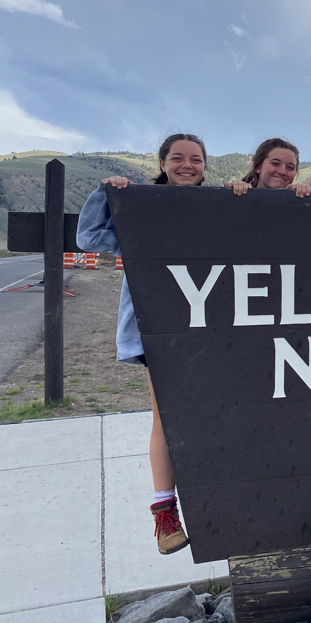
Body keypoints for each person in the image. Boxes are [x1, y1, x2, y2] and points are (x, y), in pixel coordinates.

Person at [75, 133, 209, 555]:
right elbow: (90, 239)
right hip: (159, 327)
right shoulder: (141, 208)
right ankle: (165, 515)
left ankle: (214, 505)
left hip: (215, 327)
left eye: (196, 159)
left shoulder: (219, 206)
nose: (187, 165)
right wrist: (105, 192)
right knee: (166, 419)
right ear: (163, 162)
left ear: (206, 165)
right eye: (178, 158)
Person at [224, 137, 311, 197]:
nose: (283, 171)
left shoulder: (298, 205)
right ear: (258, 167)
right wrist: (231, 193)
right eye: (275, 163)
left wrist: (305, 197)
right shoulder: (238, 196)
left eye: (290, 167)